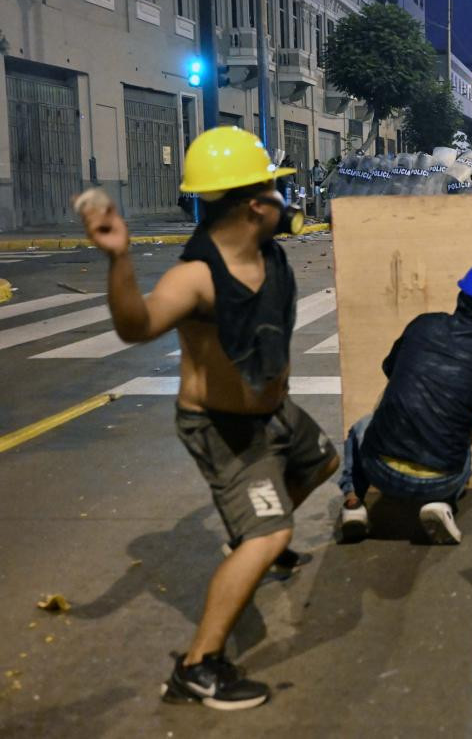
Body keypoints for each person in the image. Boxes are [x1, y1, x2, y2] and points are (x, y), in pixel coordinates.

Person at [76, 126, 339, 711]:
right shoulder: (195, 276)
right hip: (223, 427)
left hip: (273, 411)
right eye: (276, 191)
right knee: (272, 533)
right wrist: (118, 257)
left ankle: (248, 541)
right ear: (253, 205)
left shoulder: (269, 253)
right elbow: (136, 327)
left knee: (323, 460)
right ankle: (198, 668)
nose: (285, 199)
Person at [337, 257, 472, 545]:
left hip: (379, 469)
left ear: (462, 296)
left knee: (361, 427)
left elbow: (390, 368)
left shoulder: (424, 325)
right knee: (465, 439)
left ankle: (352, 505)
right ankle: (441, 503)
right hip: (442, 479)